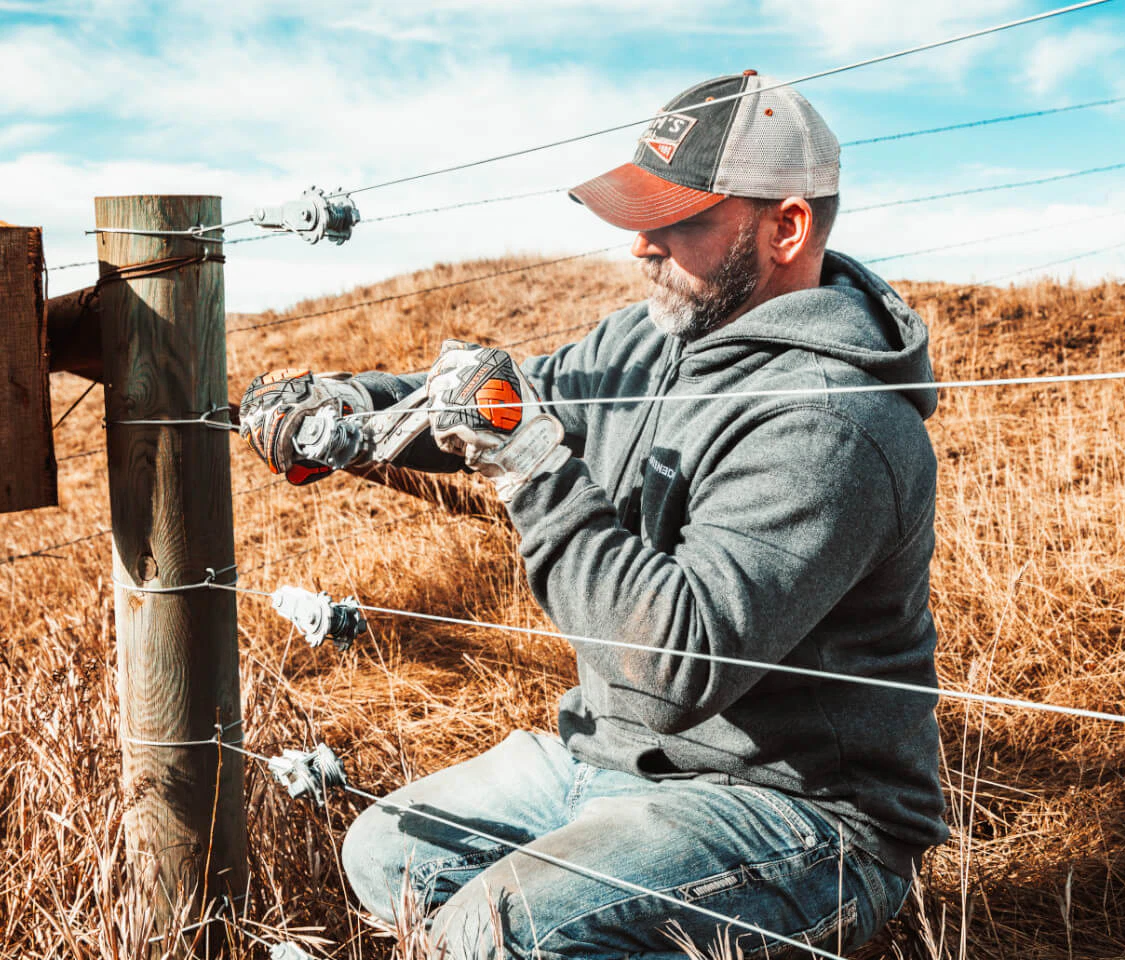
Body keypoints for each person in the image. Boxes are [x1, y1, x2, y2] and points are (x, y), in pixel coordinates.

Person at [240, 71, 948, 959]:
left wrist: (530, 467)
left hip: (794, 812)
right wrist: (356, 408)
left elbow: (670, 669)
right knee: (387, 855)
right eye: (638, 213)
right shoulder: (651, 338)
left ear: (786, 226)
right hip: (610, 757)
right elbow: (505, 399)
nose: (641, 245)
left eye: (678, 216)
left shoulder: (835, 422)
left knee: (486, 937)